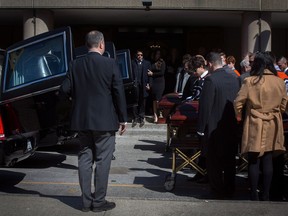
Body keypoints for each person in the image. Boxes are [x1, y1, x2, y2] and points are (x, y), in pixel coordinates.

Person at [60, 30, 128, 212]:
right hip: (105, 121)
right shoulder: (110, 63)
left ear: (86, 45)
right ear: (101, 44)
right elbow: (118, 92)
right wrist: (123, 119)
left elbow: (64, 90)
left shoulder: (74, 64)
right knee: (103, 161)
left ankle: (85, 202)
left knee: (84, 159)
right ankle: (98, 202)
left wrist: (74, 107)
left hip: (82, 121)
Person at [234, 51, 287, 201]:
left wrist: (240, 116)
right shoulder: (279, 81)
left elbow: (238, 102)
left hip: (254, 122)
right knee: (268, 158)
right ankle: (266, 194)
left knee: (254, 158)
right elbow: (284, 104)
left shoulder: (250, 81)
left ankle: (254, 194)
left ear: (257, 64)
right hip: (273, 122)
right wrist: (276, 112)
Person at [197, 52, 240, 198]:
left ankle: (217, 190)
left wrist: (201, 129)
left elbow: (205, 106)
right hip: (232, 125)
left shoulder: (211, 80)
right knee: (229, 161)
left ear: (209, 64)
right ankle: (229, 188)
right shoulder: (235, 78)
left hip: (214, 127)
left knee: (214, 162)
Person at [131, 49, 151, 127]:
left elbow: (150, 75)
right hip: (135, 85)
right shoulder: (132, 63)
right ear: (136, 55)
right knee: (135, 101)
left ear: (143, 56)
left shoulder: (147, 63)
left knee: (143, 101)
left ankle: (141, 117)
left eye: (141, 55)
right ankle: (135, 117)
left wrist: (149, 84)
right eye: (138, 55)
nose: (140, 56)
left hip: (143, 85)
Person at [148, 49, 166, 123]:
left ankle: (159, 115)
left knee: (158, 99)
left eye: (159, 54)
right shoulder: (152, 62)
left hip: (160, 83)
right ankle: (155, 115)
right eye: (156, 54)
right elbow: (149, 72)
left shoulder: (162, 62)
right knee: (154, 99)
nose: (157, 55)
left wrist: (153, 74)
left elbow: (162, 73)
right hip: (153, 83)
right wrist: (150, 84)